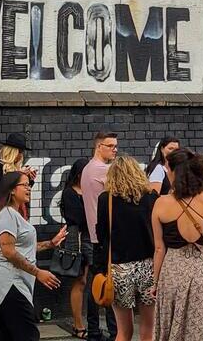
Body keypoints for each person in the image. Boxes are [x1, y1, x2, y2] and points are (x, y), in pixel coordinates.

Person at [151, 149, 203, 341]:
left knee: (172, 324)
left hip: (174, 268)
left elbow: (159, 248)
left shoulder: (161, 203)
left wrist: (155, 282)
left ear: (174, 172)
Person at [0, 171, 67, 341]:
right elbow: (8, 251)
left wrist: (51, 243)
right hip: (10, 285)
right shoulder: (7, 215)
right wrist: (38, 272)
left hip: (10, 286)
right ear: (12, 190)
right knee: (28, 335)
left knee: (5, 336)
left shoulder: (11, 214)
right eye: (24, 185)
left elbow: (23, 248)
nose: (29, 188)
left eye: (29, 185)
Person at [97, 156, 158, 341]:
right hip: (148, 266)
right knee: (149, 330)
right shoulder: (151, 197)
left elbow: (101, 234)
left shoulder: (106, 199)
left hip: (120, 268)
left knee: (123, 332)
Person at [82, 131, 119, 341]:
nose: (115, 149)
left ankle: (94, 330)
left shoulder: (88, 168)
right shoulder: (102, 169)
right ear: (99, 146)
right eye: (110, 146)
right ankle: (115, 332)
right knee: (111, 283)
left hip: (96, 235)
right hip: (106, 236)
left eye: (115, 146)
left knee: (96, 283)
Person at [59, 159, 92, 339]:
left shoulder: (91, 190)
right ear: (79, 174)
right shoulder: (69, 193)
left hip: (91, 236)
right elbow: (78, 218)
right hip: (77, 237)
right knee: (80, 280)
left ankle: (89, 322)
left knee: (90, 279)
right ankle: (78, 324)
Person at [0, 133, 36, 205]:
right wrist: (18, 174)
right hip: (2, 207)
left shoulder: (16, 166)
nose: (21, 155)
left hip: (16, 206)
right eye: (20, 151)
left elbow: (21, 191)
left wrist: (29, 179)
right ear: (12, 152)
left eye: (22, 152)